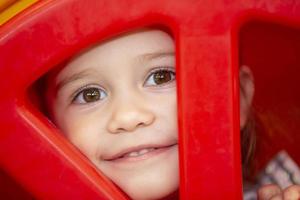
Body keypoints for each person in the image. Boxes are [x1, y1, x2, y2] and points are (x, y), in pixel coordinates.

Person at [44, 28, 300, 199]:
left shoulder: (284, 189)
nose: (129, 117)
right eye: (89, 95)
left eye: (161, 77)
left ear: (238, 96)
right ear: (47, 125)